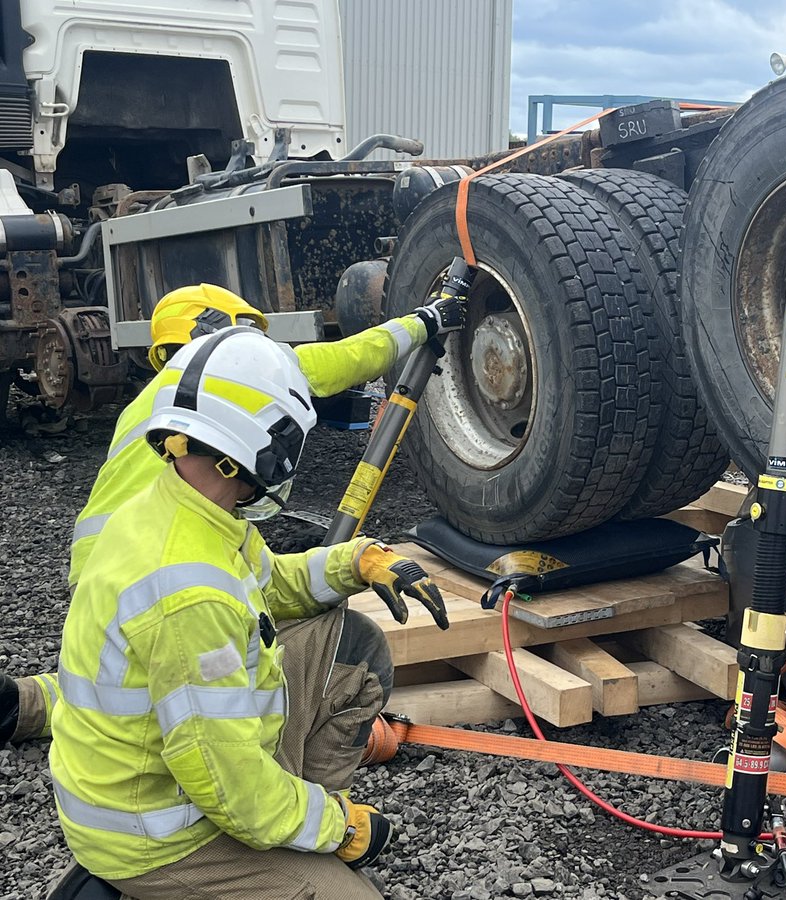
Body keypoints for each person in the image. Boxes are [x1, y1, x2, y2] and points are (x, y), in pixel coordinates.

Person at [50, 327, 443, 898]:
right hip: (157, 834)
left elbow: (271, 581)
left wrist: (355, 562)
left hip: (180, 774)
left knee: (350, 648)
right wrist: (337, 829)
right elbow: (225, 780)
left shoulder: (189, 503)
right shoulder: (188, 594)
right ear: (267, 444)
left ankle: (285, 830)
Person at [0, 281, 465, 744]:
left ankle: (23, 705)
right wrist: (424, 322)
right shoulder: (230, 382)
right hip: (167, 568)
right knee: (222, 660)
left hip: (101, 571)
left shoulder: (155, 406)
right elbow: (351, 357)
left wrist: (353, 561)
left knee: (128, 675)